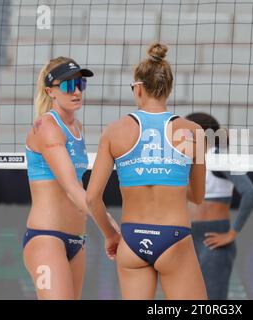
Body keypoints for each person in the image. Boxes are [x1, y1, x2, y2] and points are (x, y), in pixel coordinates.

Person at [86, 43, 207, 299]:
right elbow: (197, 197)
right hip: (174, 238)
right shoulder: (193, 131)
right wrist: (166, 174)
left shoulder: (114, 131)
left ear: (138, 89)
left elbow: (91, 198)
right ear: (169, 88)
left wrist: (111, 235)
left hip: (131, 239)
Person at [23, 57, 96, 299]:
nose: (76, 91)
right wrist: (111, 227)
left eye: (80, 84)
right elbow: (72, 188)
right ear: (50, 91)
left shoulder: (77, 127)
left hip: (77, 240)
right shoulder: (46, 126)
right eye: (67, 86)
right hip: (47, 238)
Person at [186, 112, 253, 300]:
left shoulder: (220, 159)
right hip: (187, 238)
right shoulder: (188, 161)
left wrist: (232, 233)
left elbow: (250, 193)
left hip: (212, 237)